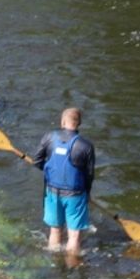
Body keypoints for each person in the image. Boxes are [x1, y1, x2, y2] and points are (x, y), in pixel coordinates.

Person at [30, 107, 96, 256]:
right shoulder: (86, 146)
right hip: (75, 194)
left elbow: (36, 161)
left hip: (52, 192)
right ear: (79, 123)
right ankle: (71, 267)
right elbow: (90, 174)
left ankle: (54, 261)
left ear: (62, 122)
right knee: (74, 235)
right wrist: (88, 194)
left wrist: (49, 170)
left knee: (55, 230)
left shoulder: (49, 137)